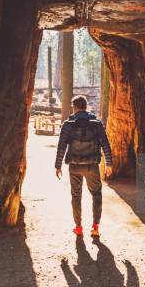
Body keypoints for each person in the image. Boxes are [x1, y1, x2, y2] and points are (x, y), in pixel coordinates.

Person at [55, 95, 113, 237]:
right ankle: (95, 227)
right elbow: (105, 144)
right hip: (92, 166)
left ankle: (78, 227)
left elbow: (61, 146)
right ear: (85, 106)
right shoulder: (96, 123)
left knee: (76, 196)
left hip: (74, 166)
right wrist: (109, 164)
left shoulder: (68, 125)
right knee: (96, 195)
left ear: (74, 107)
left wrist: (58, 166)